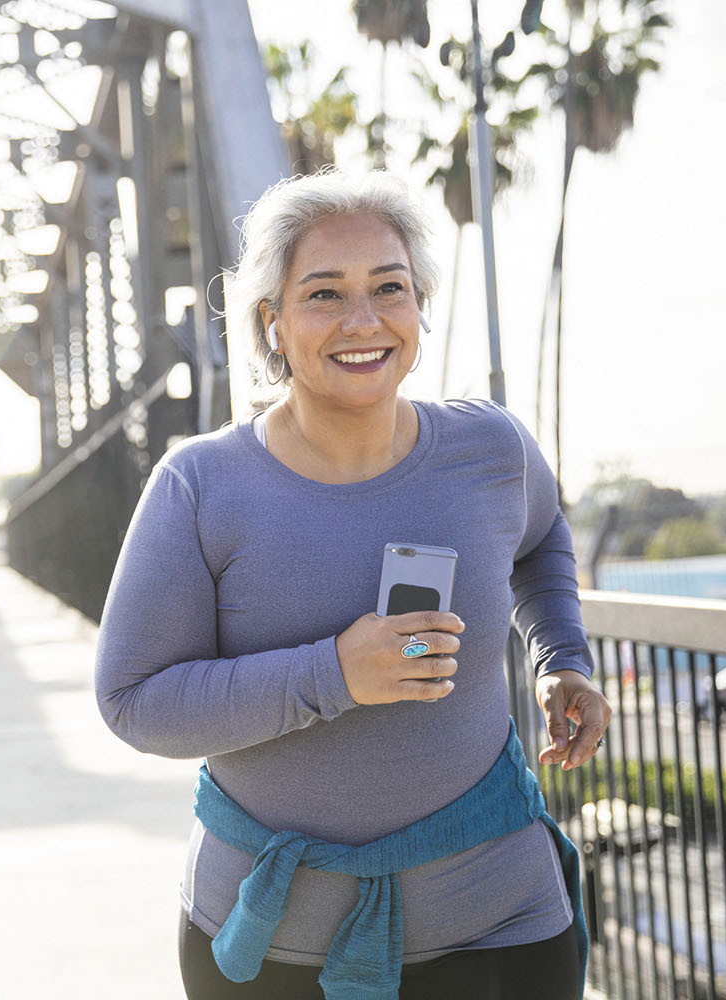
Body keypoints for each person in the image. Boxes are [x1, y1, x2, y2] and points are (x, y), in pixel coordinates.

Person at [93, 169, 611, 1000]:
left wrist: (561, 657)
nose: (364, 321)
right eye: (325, 294)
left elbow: (542, 540)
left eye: (390, 289)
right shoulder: (199, 486)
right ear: (273, 322)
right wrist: (331, 675)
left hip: (502, 927)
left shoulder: (492, 450)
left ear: (419, 308)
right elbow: (134, 701)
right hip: (268, 950)